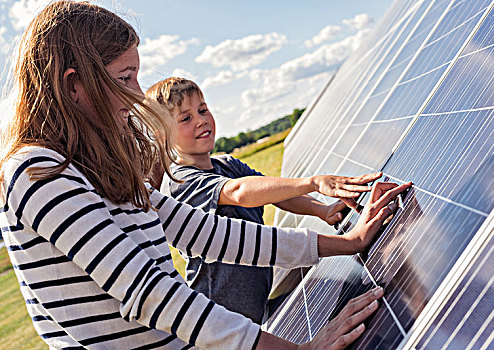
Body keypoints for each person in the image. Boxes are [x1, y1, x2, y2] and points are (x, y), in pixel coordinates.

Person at [0, 1, 411, 349]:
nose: (139, 94)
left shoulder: (96, 169)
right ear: (75, 87)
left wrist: (345, 243)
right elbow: (149, 293)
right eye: (125, 78)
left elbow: (212, 234)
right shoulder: (39, 172)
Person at [146, 77, 384, 324]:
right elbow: (239, 192)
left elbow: (276, 194)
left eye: (203, 109)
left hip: (254, 311)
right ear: (162, 135)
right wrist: (313, 182)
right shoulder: (180, 183)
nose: (201, 120)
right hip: (222, 323)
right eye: (186, 118)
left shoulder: (226, 164)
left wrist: (322, 210)